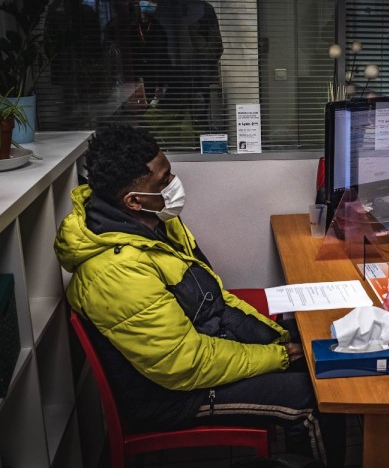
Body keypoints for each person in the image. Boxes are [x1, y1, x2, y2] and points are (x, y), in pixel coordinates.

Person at [54, 125, 345, 467]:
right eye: (164, 181)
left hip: (204, 347)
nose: (174, 184)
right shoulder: (115, 272)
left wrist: (278, 338)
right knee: (314, 398)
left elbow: (214, 294)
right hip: (172, 396)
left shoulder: (154, 224)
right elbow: (185, 364)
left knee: (310, 345)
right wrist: (278, 356)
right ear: (133, 201)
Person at [153, 0, 223, 131]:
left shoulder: (163, 8)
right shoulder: (205, 8)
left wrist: (159, 81)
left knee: (173, 125)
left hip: (173, 78)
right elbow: (217, 48)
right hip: (199, 76)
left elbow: (158, 49)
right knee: (200, 122)